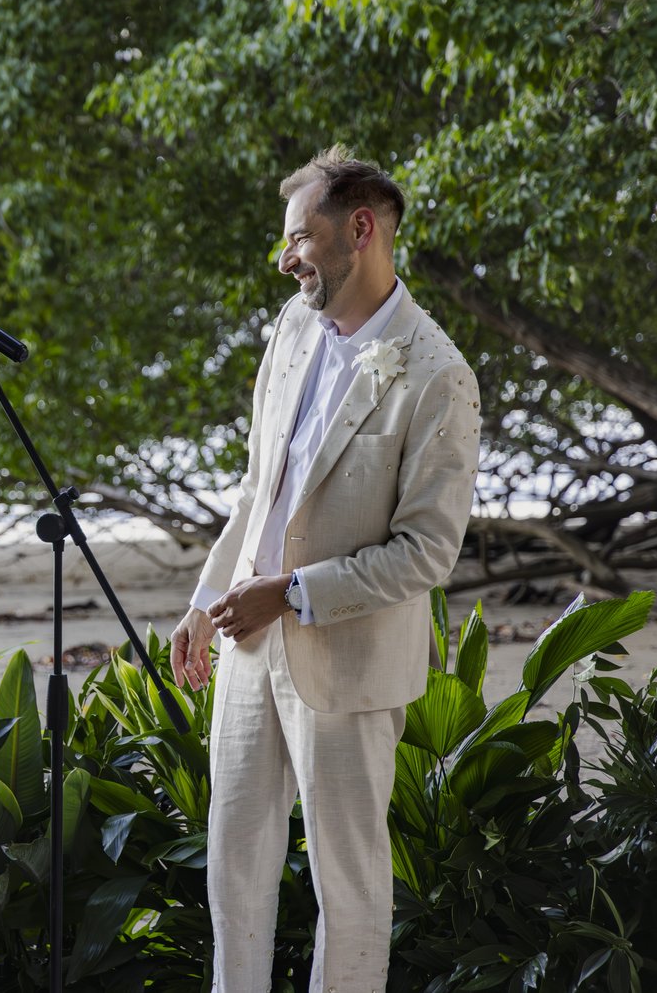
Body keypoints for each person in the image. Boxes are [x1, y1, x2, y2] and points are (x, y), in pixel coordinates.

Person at [169, 146, 480, 991]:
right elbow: (257, 488)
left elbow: (426, 552)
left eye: (300, 238)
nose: (288, 257)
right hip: (246, 649)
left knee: (348, 885)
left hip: (345, 660)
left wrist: (291, 594)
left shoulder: (437, 373)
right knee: (232, 871)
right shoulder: (291, 326)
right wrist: (207, 598)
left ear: (362, 229)